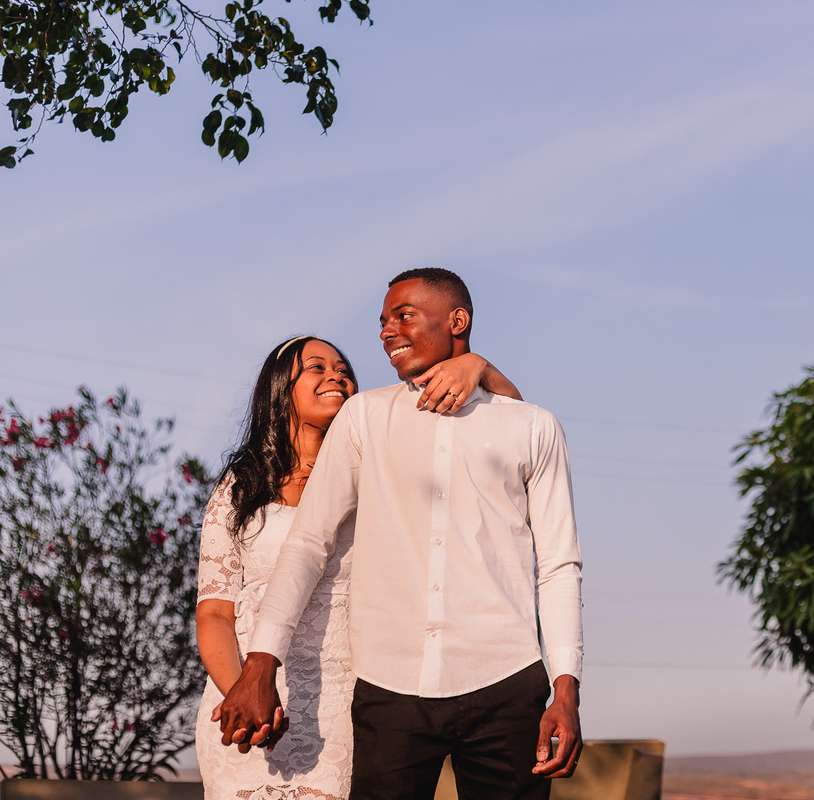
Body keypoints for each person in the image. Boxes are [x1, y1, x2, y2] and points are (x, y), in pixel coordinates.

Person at [218, 268, 584, 800]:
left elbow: (558, 564)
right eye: (383, 321)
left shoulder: (531, 426)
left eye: (403, 315)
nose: (387, 331)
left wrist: (566, 687)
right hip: (388, 689)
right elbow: (308, 543)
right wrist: (260, 662)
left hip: (508, 682)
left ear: (456, 320)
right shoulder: (363, 417)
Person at [195, 334, 522, 800]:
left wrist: (479, 368)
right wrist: (242, 694)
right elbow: (214, 612)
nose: (337, 375)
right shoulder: (239, 486)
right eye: (316, 367)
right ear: (278, 389)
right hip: (250, 690)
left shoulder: (384, 470)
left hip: (350, 700)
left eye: (343, 368)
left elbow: (512, 430)